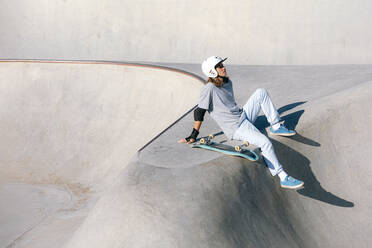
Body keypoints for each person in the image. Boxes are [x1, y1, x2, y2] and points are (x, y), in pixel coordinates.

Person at [178, 56, 304, 189]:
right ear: (212, 71)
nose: (224, 67)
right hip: (236, 128)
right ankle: (283, 176)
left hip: (242, 116)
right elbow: (199, 111)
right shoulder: (209, 89)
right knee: (265, 142)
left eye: (223, 64)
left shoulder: (227, 82)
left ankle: (276, 125)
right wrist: (193, 135)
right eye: (220, 66)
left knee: (261, 93)